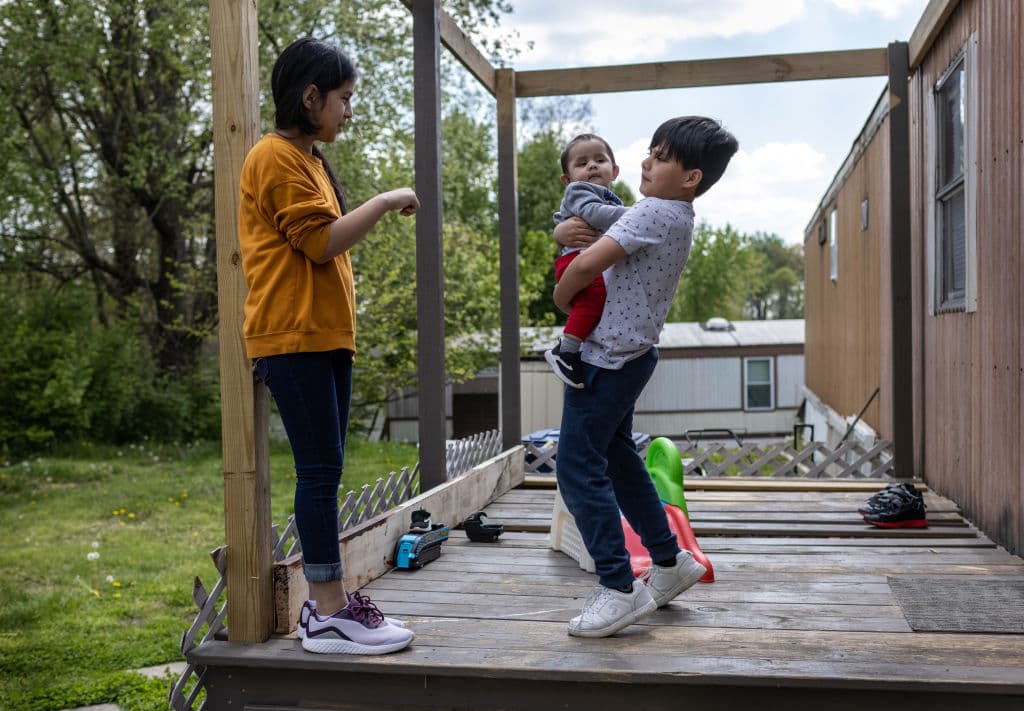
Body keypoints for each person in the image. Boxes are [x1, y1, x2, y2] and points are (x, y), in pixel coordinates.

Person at [238, 37, 419, 655]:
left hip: (322, 338)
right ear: (310, 96)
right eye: (342, 99)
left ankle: (330, 607)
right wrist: (386, 199)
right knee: (319, 475)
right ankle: (328, 612)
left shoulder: (308, 158)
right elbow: (320, 244)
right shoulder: (274, 156)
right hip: (292, 338)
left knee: (328, 472)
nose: (348, 111)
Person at [550, 116, 738, 638]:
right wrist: (565, 229)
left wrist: (562, 296)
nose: (645, 162)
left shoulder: (654, 209)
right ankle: (669, 559)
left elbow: (587, 266)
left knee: (576, 466)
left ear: (691, 176)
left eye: (659, 156)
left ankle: (618, 586)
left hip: (605, 358)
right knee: (616, 457)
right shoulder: (673, 214)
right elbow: (597, 230)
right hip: (633, 353)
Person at [544, 134, 629, 389]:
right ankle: (566, 350)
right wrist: (638, 214)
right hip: (575, 260)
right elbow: (595, 214)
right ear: (566, 180)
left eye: (599, 160)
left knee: (595, 303)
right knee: (593, 297)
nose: (592, 165)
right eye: (581, 163)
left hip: (588, 261)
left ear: (614, 171)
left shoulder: (610, 199)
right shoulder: (580, 191)